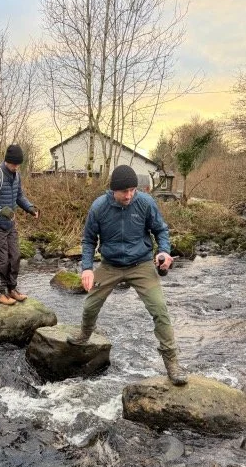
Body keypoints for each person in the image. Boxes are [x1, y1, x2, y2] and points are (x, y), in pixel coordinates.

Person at [67, 164, 188, 386]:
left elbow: (161, 230)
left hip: (141, 264)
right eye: (125, 191)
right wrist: (86, 268)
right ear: (113, 190)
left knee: (160, 310)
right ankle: (85, 334)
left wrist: (163, 251)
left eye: (133, 190)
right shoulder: (99, 207)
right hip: (110, 265)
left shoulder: (145, 202)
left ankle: (172, 362)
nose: (129, 195)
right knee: (90, 306)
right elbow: (88, 240)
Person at [0, 144, 39, 305]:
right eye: (13, 164)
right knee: (1, 260)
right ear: (6, 161)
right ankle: (0, 293)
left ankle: (12, 289)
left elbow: (19, 196)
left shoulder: (16, 176)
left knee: (15, 256)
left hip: (9, 225)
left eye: (18, 165)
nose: (16, 167)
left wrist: (30, 207)